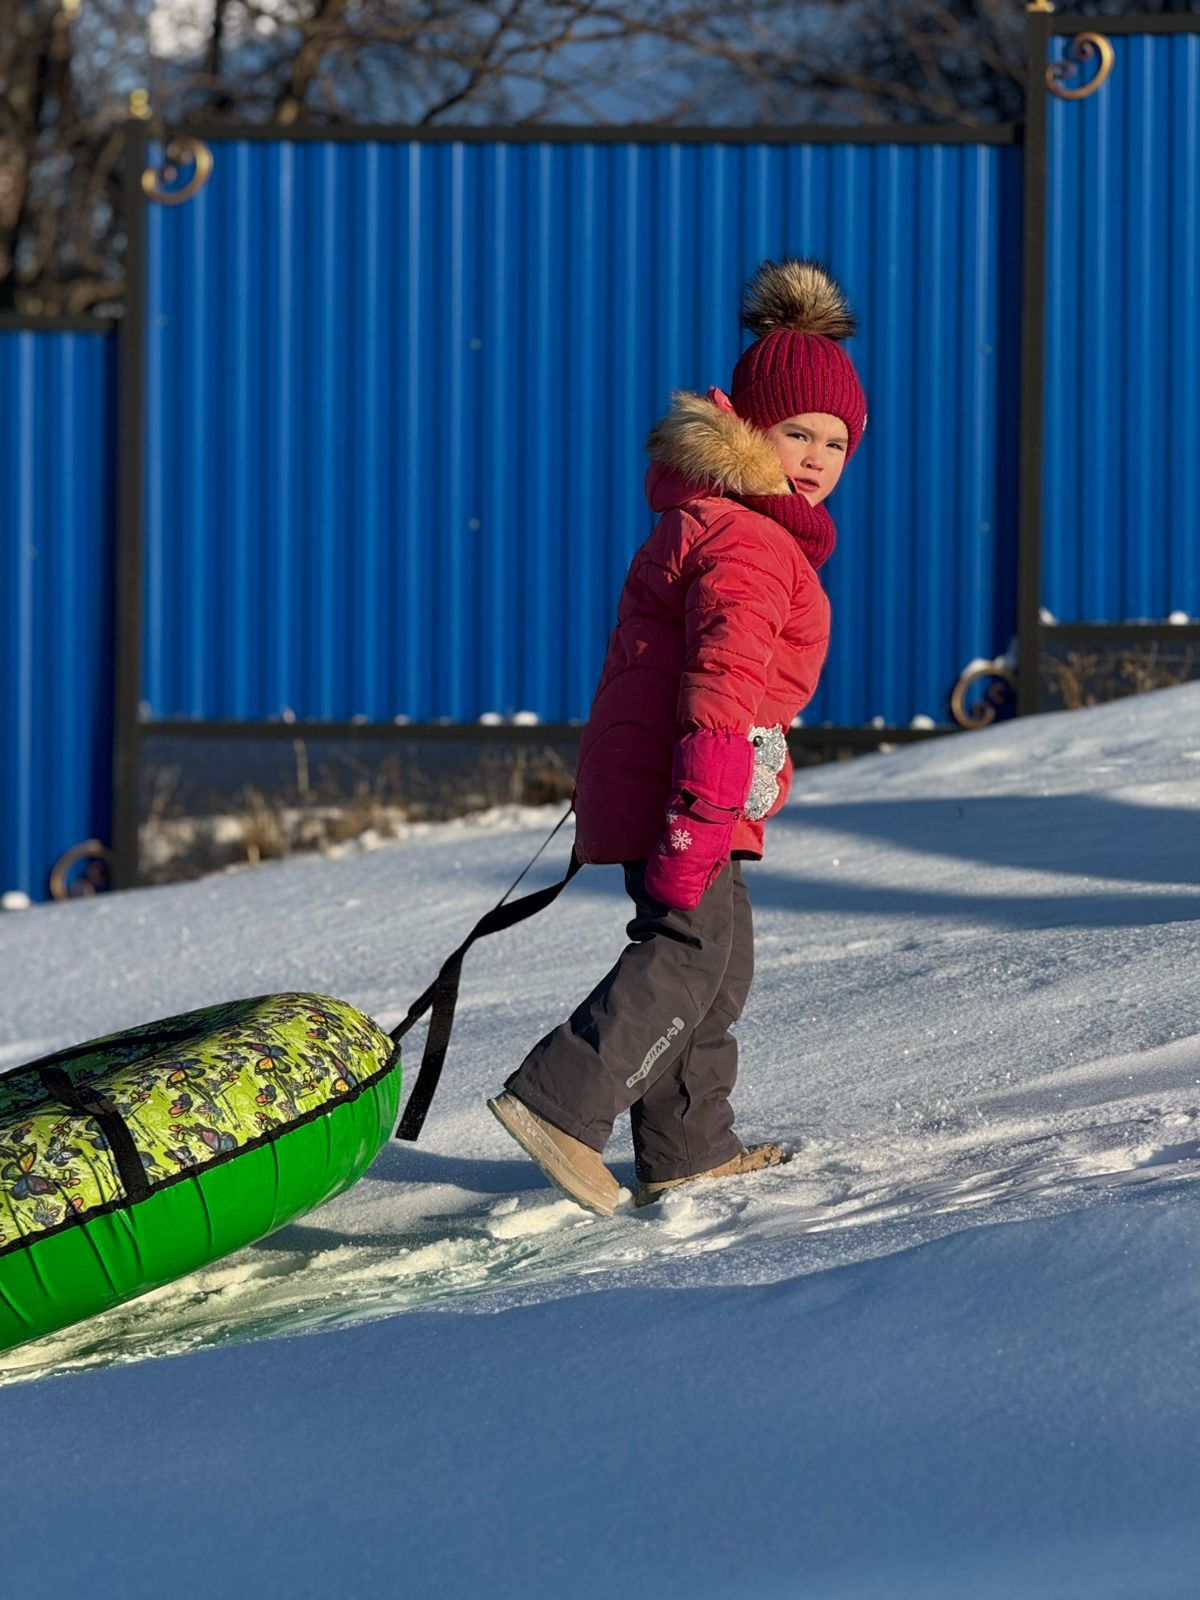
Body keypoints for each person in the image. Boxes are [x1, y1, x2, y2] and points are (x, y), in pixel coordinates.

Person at [488, 257, 868, 1216]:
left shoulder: (744, 527)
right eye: (797, 434)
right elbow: (721, 688)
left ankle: (689, 1147)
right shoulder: (747, 539)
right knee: (688, 950)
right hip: (690, 786)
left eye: (836, 440)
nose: (818, 457)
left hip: (702, 785)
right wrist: (701, 810)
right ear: (748, 431)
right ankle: (564, 1105)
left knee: (718, 962)